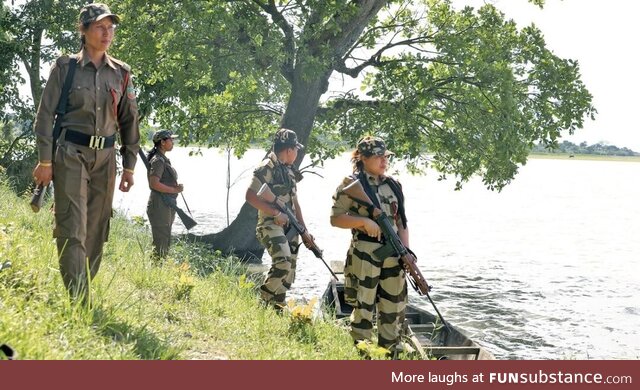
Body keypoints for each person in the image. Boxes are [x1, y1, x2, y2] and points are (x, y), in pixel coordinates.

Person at [32, 3, 140, 302]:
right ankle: (79, 299)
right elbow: (44, 116)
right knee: (73, 224)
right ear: (84, 30)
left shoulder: (121, 73)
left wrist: (129, 167)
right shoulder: (65, 68)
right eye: (100, 27)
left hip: (106, 159)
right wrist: (44, 160)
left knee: (95, 229)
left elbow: (130, 120)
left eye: (111, 28)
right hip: (70, 154)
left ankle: (83, 286)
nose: (107, 33)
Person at [330, 136, 409, 352]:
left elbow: (401, 221)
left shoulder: (394, 184)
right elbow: (335, 218)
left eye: (386, 157)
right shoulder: (351, 185)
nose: (384, 161)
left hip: (393, 253)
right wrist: (363, 222)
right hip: (365, 255)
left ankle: (390, 353)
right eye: (378, 157)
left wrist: (407, 253)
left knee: (394, 308)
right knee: (364, 307)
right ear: (363, 158)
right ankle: (362, 354)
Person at [245, 128, 312, 310]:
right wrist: (275, 213)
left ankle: (277, 309)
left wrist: (304, 231)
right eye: (296, 149)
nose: (297, 153)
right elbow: (251, 196)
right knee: (282, 262)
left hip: (290, 226)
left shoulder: (289, 170)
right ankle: (262, 301)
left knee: (288, 273)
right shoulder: (266, 167)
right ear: (289, 150)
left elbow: (295, 203)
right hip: (270, 224)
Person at [146, 130, 183, 259]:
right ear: (162, 142)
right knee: (161, 241)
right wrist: (174, 190)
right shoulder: (158, 160)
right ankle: (156, 271)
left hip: (165, 204)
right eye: (170, 139)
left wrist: (174, 188)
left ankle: (159, 268)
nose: (173, 142)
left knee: (164, 239)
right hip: (159, 204)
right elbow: (154, 184)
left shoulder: (163, 159)